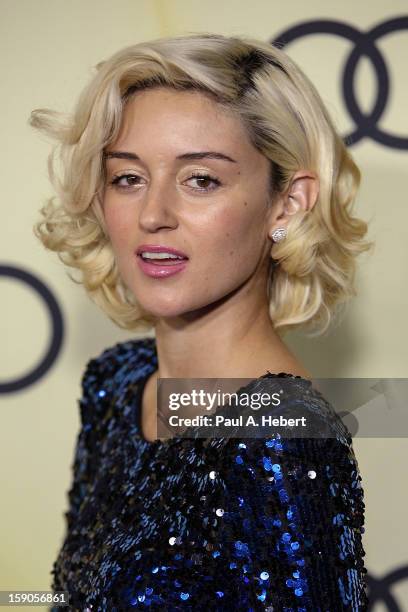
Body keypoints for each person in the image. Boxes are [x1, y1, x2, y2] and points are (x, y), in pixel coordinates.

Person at [30, 32, 372, 610]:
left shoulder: (282, 438)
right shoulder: (117, 384)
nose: (153, 215)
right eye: (128, 178)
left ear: (286, 204)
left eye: (201, 179)